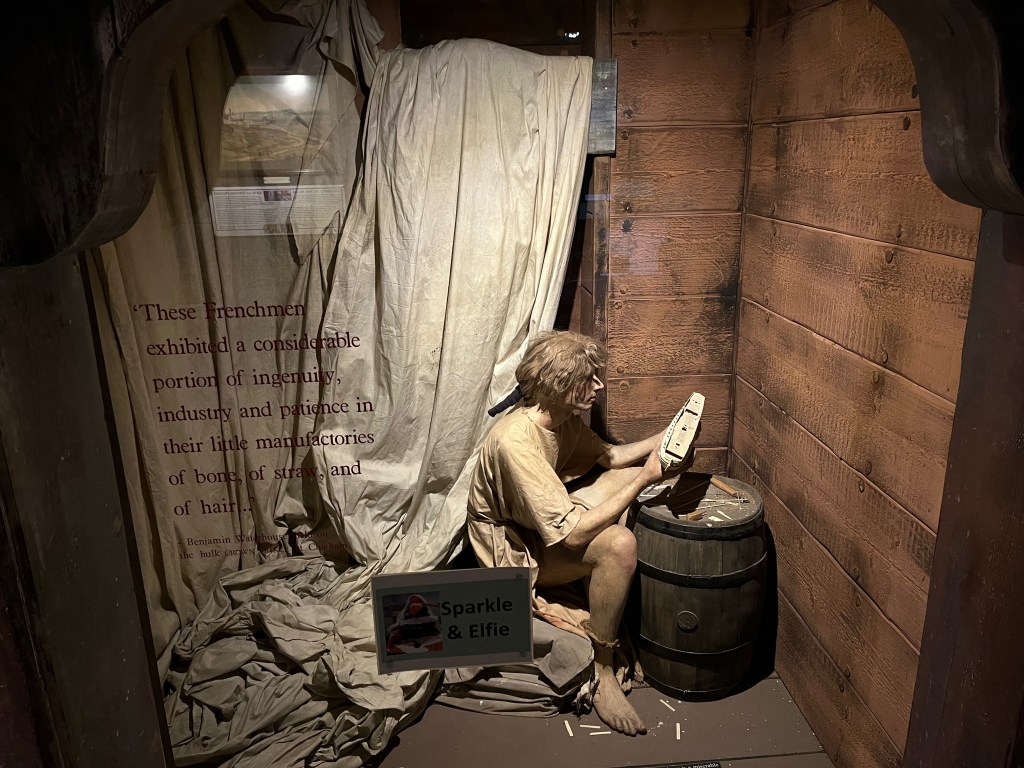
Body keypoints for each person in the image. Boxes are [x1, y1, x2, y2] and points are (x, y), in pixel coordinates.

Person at [467, 331, 689, 736]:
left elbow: (613, 456)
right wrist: (645, 478)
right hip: (515, 550)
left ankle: (602, 587)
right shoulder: (516, 441)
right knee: (620, 544)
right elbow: (569, 538)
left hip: (538, 526)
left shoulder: (562, 419)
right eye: (590, 378)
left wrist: (669, 437)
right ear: (560, 385)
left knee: (619, 478)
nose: (600, 386)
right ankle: (603, 671)